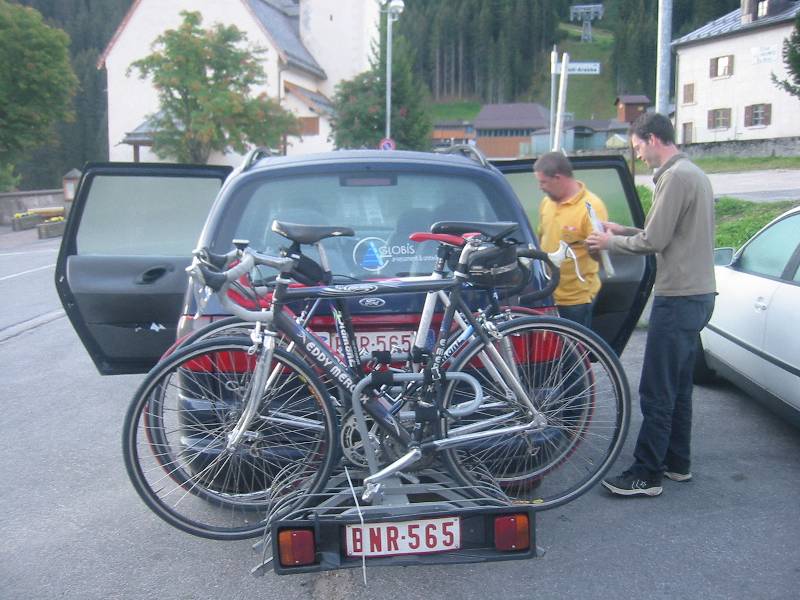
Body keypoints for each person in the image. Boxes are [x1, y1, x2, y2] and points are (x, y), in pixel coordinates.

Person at [586, 112, 716, 497]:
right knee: (678, 387)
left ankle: (646, 474)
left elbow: (653, 243)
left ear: (654, 139)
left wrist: (609, 243)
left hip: (678, 297)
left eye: (638, 146)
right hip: (699, 294)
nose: (638, 154)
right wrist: (622, 229)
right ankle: (677, 463)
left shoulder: (674, 177)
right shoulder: (692, 173)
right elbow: (664, 232)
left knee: (657, 389)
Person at [534, 151, 609, 328]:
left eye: (543, 182)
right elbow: (541, 237)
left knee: (575, 353)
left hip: (576, 299)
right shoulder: (547, 202)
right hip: (548, 294)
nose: (540, 187)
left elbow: (602, 254)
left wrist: (600, 247)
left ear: (558, 178)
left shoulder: (591, 207)